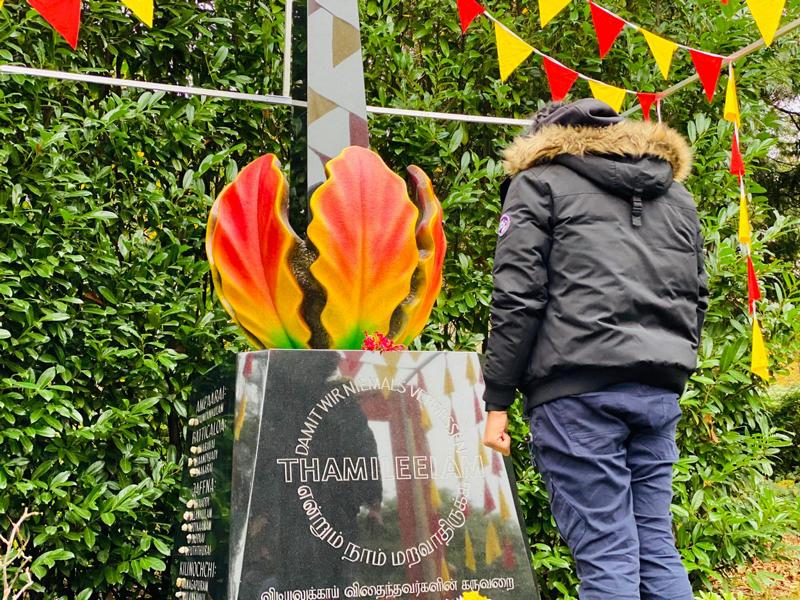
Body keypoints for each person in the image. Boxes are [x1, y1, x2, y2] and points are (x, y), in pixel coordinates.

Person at [481, 99, 707, 600]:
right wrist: (671, 366)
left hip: (576, 393)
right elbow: (697, 296)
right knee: (655, 549)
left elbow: (517, 299)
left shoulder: (538, 183)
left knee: (607, 555)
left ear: (544, 138)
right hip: (658, 390)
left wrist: (497, 401)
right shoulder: (676, 195)